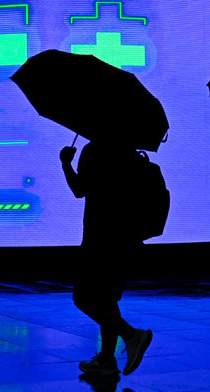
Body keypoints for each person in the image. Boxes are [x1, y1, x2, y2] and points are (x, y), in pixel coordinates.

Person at [60, 138, 152, 376]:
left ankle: (131, 335)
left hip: (100, 237)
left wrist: (66, 163)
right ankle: (106, 360)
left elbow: (79, 189)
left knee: (84, 298)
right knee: (107, 301)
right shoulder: (129, 150)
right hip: (126, 237)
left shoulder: (95, 149)